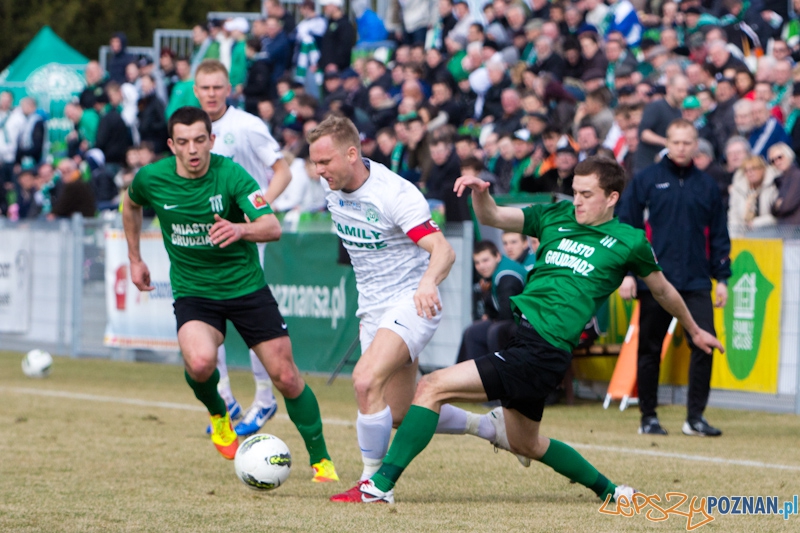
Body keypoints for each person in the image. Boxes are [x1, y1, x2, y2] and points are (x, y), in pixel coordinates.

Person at [337, 156, 722, 504]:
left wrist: (694, 329)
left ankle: (379, 485)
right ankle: (611, 491)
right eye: (574, 192)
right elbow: (493, 218)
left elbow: (663, 289)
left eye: (587, 195)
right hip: (529, 342)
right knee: (527, 443)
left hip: (543, 349)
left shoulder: (631, 241)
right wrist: (481, 194)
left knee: (431, 387)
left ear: (612, 197)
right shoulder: (554, 216)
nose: (578, 201)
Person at [122, 106, 339, 482]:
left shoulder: (231, 174)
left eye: (200, 141)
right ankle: (220, 415)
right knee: (201, 363)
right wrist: (135, 257)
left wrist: (239, 230)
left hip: (246, 288)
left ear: (212, 140)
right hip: (194, 292)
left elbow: (271, 226)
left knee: (286, 377)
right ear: (172, 145)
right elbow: (131, 204)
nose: (193, 150)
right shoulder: (151, 178)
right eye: (184, 142)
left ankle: (321, 461)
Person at [306, 116, 496, 502]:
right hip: (373, 310)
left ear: (352, 153)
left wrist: (427, 283)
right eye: (315, 162)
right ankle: (488, 426)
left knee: (363, 381)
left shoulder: (394, 193)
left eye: (325, 162)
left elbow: (443, 249)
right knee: (397, 413)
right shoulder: (333, 192)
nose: (318, 170)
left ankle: (373, 485)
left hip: (412, 301)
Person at [193, 59, 292, 437]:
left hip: (245, 237)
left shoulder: (247, 126)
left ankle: (265, 398)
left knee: (251, 318)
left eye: (218, 87)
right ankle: (225, 397)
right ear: (196, 91)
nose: (211, 94)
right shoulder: (192, 129)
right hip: (207, 237)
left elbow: (283, 170)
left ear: (229, 88)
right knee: (204, 317)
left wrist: (259, 210)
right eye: (205, 88)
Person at [618, 118, 730, 437]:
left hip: (696, 280)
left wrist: (722, 278)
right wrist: (628, 272)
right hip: (655, 279)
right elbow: (628, 227)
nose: (681, 148)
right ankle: (648, 417)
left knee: (704, 344)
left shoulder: (707, 185)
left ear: (696, 145)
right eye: (676, 142)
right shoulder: (646, 179)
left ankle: (695, 418)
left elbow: (719, 234)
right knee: (649, 349)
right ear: (667, 142)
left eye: (687, 142)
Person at [457, 240, 526, 364]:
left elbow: (507, 313)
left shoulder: (506, 276)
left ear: (497, 256)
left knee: (494, 330)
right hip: (514, 322)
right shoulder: (496, 273)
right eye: (477, 262)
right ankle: (466, 377)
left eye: (485, 260)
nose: (481, 266)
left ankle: (493, 376)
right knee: (473, 331)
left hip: (528, 325)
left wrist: (492, 318)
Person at [727, 155, 778, 237]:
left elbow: (778, 215)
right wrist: (733, 237)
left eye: (754, 169)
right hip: (744, 236)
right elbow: (734, 215)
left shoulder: (774, 186)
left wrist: (756, 223)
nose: (750, 173)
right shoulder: (738, 188)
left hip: (771, 235)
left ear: (763, 169)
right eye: (746, 170)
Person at [768, 142, 800, 225]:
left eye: (780, 157)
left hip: (795, 230)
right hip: (786, 229)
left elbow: (787, 205)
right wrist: (777, 206)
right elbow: (772, 209)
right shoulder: (780, 179)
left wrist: (779, 205)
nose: (777, 162)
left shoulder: (796, 176)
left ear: (788, 155)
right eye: (773, 160)